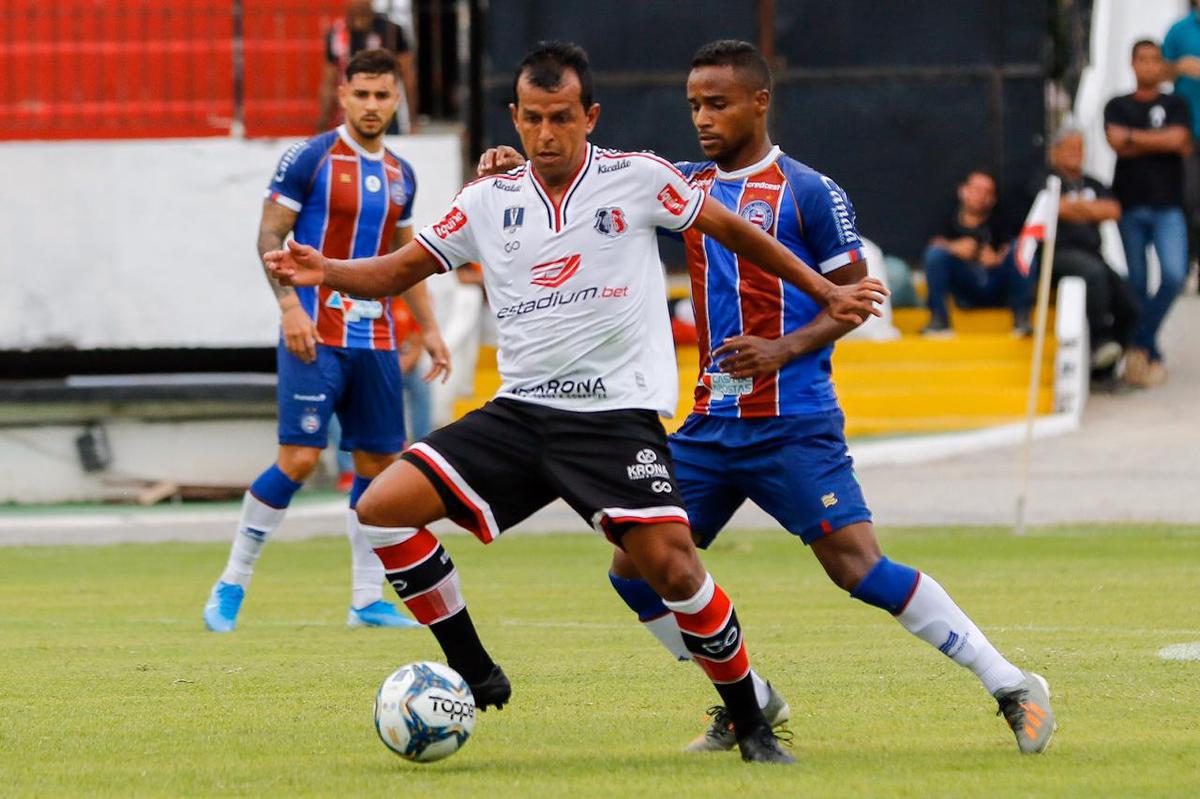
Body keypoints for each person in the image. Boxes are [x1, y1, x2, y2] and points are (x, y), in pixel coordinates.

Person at [267, 41, 887, 764]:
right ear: (515, 117)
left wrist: (826, 290)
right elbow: (396, 271)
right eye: (532, 118)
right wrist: (326, 269)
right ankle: (473, 668)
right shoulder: (487, 199)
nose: (546, 134)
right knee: (380, 508)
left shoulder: (637, 178)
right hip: (521, 413)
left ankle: (753, 724)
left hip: (614, 419)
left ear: (589, 116)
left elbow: (733, 229)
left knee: (675, 571)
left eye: (561, 117)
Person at [479, 39, 1055, 756]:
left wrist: (782, 349)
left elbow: (854, 300)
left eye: (717, 104)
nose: (702, 118)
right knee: (634, 570)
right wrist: (517, 166)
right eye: (694, 105)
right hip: (711, 421)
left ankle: (1011, 683)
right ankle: (748, 699)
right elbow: (594, 175)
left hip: (792, 420)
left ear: (759, 102)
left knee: (857, 568)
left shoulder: (809, 192)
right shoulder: (683, 183)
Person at [203, 49, 450, 633]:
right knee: (299, 458)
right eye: (361, 94)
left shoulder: (403, 174)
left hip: (376, 338)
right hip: (314, 331)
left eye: (382, 95)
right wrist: (289, 307)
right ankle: (232, 581)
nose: (371, 105)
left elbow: (406, 259)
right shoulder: (310, 157)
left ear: (397, 99)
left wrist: (431, 328)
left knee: (379, 465)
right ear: (343, 95)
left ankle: (366, 600)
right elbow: (269, 235)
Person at [1105, 40, 1191, 387]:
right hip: (1130, 205)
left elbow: (1178, 141)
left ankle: (1139, 341)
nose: (1149, 66)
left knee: (1174, 275)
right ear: (1132, 63)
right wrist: (1159, 140)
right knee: (1137, 283)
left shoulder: (1176, 104)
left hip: (1168, 205)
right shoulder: (1117, 105)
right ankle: (1148, 351)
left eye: (1155, 60)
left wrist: (1134, 139)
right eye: (1142, 59)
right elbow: (1116, 141)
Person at [1029, 128, 1138, 372]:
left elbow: (1112, 210)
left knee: (1130, 304)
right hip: (1057, 254)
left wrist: (1074, 206)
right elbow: (1056, 208)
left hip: (1093, 254)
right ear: (1054, 151)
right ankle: (1099, 341)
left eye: (1080, 148)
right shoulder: (1044, 179)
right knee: (1094, 274)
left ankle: (1106, 366)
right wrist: (1090, 209)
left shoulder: (1092, 182)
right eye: (1070, 148)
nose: (1076, 153)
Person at [920, 171, 1033, 336]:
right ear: (963, 191)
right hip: (966, 288)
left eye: (987, 192)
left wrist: (997, 258)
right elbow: (932, 243)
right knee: (935, 255)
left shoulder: (1004, 218)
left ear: (993, 199)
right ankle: (939, 319)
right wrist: (953, 247)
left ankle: (1022, 317)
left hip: (998, 285)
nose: (981, 196)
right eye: (977, 190)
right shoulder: (946, 217)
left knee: (1022, 248)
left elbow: (1014, 245)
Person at [319, 0, 418, 135]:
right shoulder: (337, 33)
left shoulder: (391, 31)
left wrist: (413, 121)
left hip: (385, 114)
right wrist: (323, 122)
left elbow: (408, 76)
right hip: (350, 113)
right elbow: (329, 82)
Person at [1163, 1, 1200, 287]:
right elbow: (1157, 71)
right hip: (1188, 131)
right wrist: (1178, 67)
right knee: (1188, 199)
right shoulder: (1179, 30)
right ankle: (1189, 261)